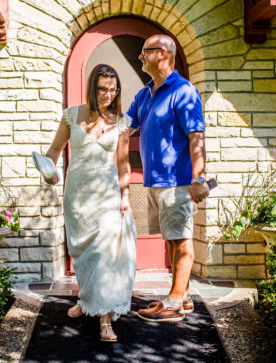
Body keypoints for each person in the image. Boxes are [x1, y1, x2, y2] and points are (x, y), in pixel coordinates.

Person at [44, 64, 136, 342]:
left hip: (108, 194)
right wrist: (48, 170)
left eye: (113, 89)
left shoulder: (120, 122)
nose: (108, 94)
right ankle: (87, 300)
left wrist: (125, 196)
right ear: (91, 89)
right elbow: (54, 149)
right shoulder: (72, 116)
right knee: (82, 251)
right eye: (103, 89)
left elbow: (122, 162)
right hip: (78, 195)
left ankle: (105, 318)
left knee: (105, 252)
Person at [124, 34, 209, 322]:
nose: (140, 57)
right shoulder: (144, 93)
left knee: (182, 240)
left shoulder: (183, 91)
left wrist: (199, 179)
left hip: (177, 181)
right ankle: (182, 296)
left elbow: (196, 136)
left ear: (161, 54)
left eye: (143, 53)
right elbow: (125, 128)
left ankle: (172, 303)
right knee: (172, 239)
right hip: (154, 181)